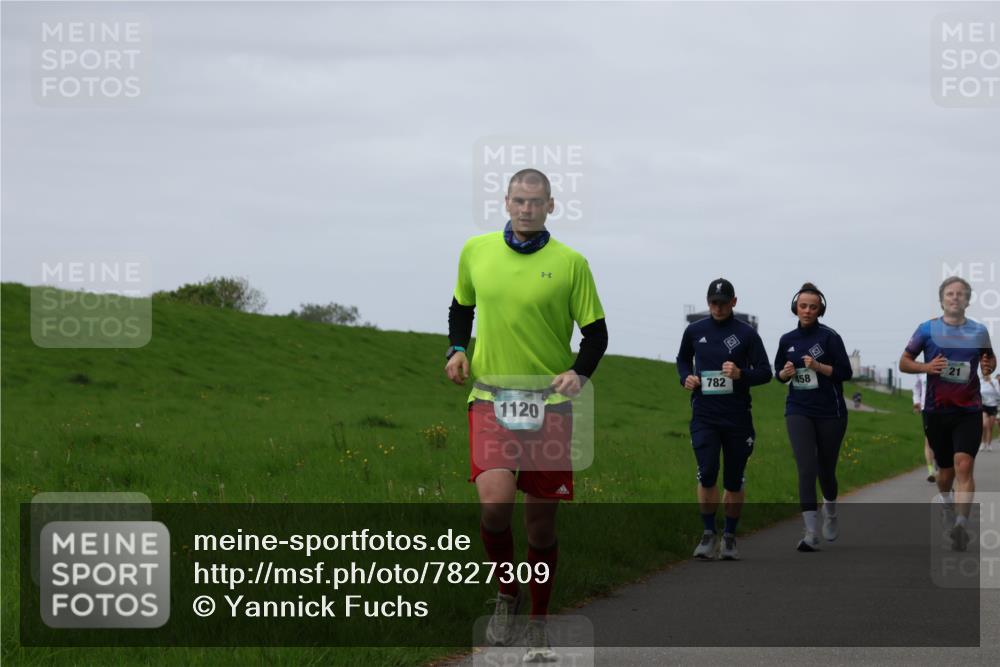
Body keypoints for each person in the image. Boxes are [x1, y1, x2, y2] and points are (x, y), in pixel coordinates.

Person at [445, 168, 608, 661]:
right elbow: (461, 307)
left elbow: (596, 334)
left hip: (549, 407)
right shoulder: (475, 251)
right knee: (494, 508)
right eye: (518, 200)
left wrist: (578, 373)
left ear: (550, 206)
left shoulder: (572, 262)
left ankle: (538, 624)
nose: (526, 209)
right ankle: (507, 593)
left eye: (535, 202)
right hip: (491, 399)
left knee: (540, 527)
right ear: (506, 202)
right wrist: (456, 349)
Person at [676, 278, 771, 561]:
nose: (717, 308)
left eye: (723, 302)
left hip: (737, 417)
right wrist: (686, 378)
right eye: (713, 302)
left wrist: (741, 374)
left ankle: (729, 537)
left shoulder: (747, 334)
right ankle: (708, 535)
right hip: (705, 414)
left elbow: (766, 372)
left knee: (733, 480)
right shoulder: (694, 331)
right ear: (708, 303)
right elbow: (682, 360)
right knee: (706, 473)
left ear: (734, 302)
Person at [899, 276, 996, 551]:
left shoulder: (979, 331)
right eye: (950, 294)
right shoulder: (926, 330)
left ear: (968, 300)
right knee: (945, 473)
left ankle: (961, 526)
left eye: (961, 294)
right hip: (936, 411)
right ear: (942, 299)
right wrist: (926, 368)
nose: (955, 298)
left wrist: (988, 366)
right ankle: (946, 501)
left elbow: (989, 360)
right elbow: (904, 362)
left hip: (969, 410)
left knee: (964, 464)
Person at [773, 282, 853, 552]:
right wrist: (785, 373)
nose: (807, 311)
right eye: (803, 306)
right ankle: (810, 532)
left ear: (821, 310)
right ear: (795, 307)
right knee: (806, 468)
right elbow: (778, 374)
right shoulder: (787, 340)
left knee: (825, 471)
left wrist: (818, 366)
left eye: (813, 307)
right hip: (798, 409)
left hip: (831, 413)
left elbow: (845, 373)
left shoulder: (830, 337)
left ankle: (830, 510)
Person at [913, 374, 938, 482]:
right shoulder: (922, 371)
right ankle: (930, 470)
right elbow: (917, 387)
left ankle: (939, 463)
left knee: (944, 440)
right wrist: (916, 401)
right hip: (927, 409)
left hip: (945, 408)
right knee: (928, 440)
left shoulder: (947, 366)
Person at [980, 370, 999, 452]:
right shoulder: (981, 382)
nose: (986, 375)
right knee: (984, 425)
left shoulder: (994, 382)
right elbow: (978, 392)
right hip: (983, 405)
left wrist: (992, 384)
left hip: (993, 405)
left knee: (990, 427)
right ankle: (983, 443)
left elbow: (999, 394)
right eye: (984, 374)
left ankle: (989, 444)